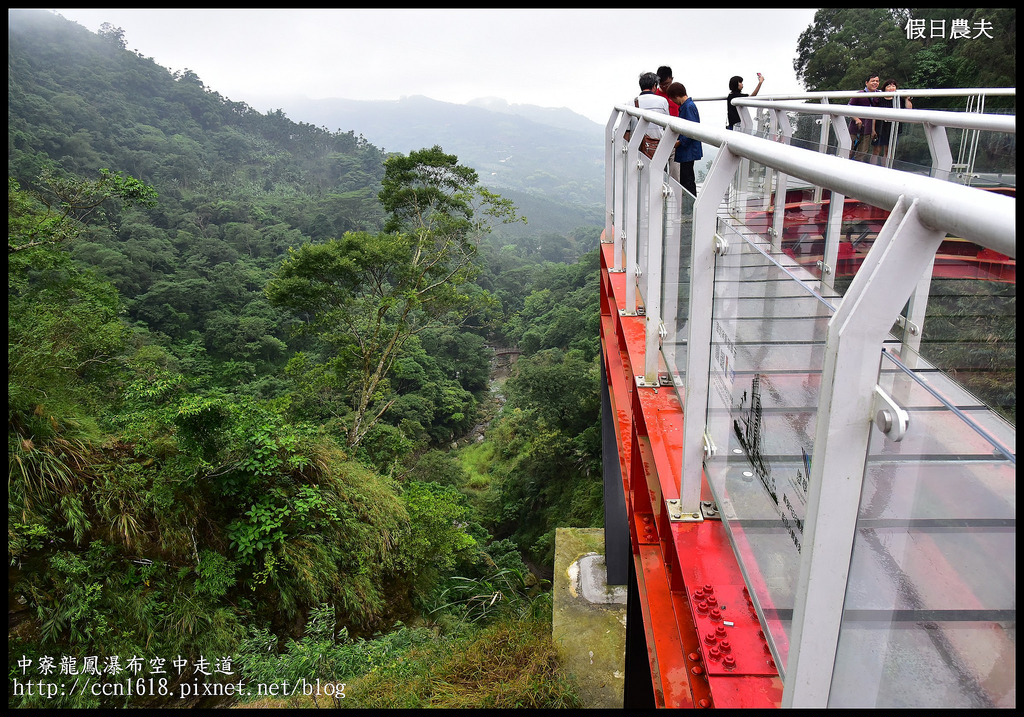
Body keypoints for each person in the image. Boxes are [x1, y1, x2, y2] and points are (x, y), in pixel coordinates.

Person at [667, 82, 702, 196]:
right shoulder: (688, 106)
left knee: (687, 180)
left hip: (688, 150)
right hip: (688, 150)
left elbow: (691, 129)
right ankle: (689, 207)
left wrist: (680, 142)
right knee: (687, 178)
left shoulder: (688, 107)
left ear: (676, 96)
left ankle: (689, 208)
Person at [870, 79, 912, 165]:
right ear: (884, 88)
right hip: (880, 127)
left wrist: (907, 98)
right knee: (876, 150)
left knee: (888, 151)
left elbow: (909, 110)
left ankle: (886, 168)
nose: (891, 88)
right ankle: (872, 168)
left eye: (893, 86)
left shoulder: (899, 99)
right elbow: (873, 115)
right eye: (888, 86)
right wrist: (873, 129)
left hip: (894, 127)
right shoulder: (879, 99)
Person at [633, 71, 670, 159]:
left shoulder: (631, 103)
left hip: (637, 147)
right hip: (657, 146)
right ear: (654, 85)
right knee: (659, 171)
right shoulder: (662, 101)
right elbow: (667, 125)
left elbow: (626, 132)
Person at [655, 66, 681, 180]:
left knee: (676, 173)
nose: (665, 87)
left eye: (668, 83)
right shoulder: (655, 96)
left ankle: (675, 197)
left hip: (676, 136)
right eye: (662, 85)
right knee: (659, 172)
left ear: (672, 79)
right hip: (660, 137)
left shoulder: (677, 93)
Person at [848, 74, 881, 162]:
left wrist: (873, 130)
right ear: (866, 83)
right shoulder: (860, 94)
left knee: (862, 153)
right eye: (872, 81)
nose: (875, 83)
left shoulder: (879, 95)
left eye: (877, 81)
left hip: (868, 130)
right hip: (855, 129)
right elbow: (848, 108)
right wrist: (856, 119)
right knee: (849, 150)